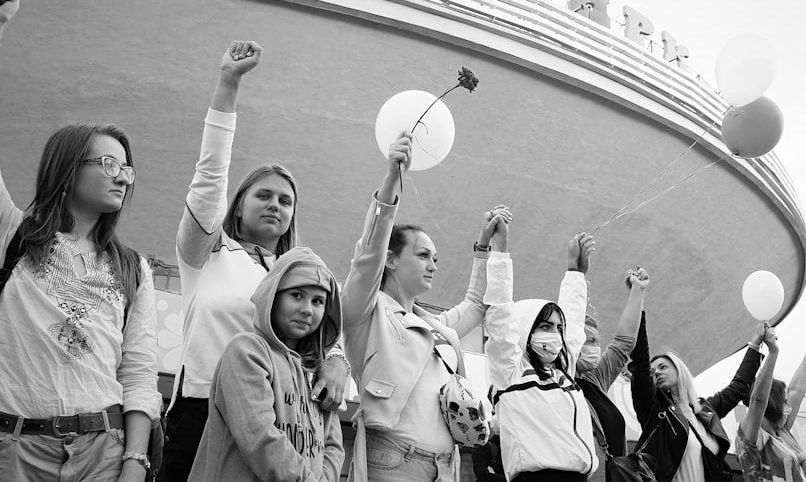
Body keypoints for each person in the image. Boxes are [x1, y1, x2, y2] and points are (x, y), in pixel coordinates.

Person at [161, 40, 349, 481]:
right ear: (238, 205)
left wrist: (337, 358)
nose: (275, 205)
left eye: (286, 201)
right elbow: (209, 178)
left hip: (282, 417)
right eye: (263, 195)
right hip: (201, 410)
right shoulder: (204, 253)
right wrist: (229, 84)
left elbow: (320, 325)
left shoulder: (296, 274)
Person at [0, 0, 160, 480]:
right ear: (68, 171)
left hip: (104, 450)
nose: (120, 176)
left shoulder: (132, 268)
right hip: (19, 449)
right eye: (108, 163)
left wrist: (135, 460)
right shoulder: (14, 235)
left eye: (127, 169)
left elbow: (138, 371)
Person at [341, 132, 509, 482]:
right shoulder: (366, 313)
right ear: (390, 260)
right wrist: (391, 181)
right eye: (422, 255)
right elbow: (367, 254)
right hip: (391, 463)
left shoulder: (437, 326)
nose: (433, 264)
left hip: (446, 468)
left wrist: (484, 246)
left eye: (435, 258)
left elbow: (477, 304)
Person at [188, 247, 344, 481]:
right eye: (297, 295)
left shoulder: (318, 371)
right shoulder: (246, 351)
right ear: (272, 295)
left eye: (318, 301)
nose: (307, 310)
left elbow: (333, 445)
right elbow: (260, 439)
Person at [484, 232, 599, 481]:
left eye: (558, 328)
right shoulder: (510, 372)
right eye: (545, 327)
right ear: (525, 329)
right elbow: (500, 314)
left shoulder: (563, 374)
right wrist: (500, 254)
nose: (556, 335)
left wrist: (575, 273)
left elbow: (574, 322)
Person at [628, 310, 765, 481]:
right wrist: (638, 312)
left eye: (663, 367)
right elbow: (640, 367)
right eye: (653, 371)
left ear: (680, 370)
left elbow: (737, 387)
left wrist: (755, 344)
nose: (657, 373)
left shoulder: (704, 411)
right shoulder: (656, 416)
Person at [575, 265, 646, 476]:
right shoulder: (550, 385)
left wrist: (637, 290)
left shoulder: (594, 379)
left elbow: (624, 343)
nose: (593, 348)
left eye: (595, 341)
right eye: (587, 341)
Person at [735, 333, 806, 481]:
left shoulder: (782, 433)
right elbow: (758, 401)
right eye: (785, 401)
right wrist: (773, 352)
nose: (789, 407)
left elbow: (796, 391)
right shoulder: (755, 437)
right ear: (771, 401)